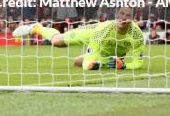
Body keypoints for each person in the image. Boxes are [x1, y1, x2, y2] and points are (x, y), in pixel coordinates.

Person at [13, 7, 145, 70]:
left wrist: (124, 66)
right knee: (57, 42)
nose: (123, 18)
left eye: (127, 16)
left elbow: (138, 63)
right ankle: (38, 28)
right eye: (121, 15)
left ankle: (100, 61)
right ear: (115, 16)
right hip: (92, 35)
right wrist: (89, 64)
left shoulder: (137, 35)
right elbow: (92, 53)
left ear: (132, 19)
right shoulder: (103, 29)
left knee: (77, 62)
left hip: (110, 54)